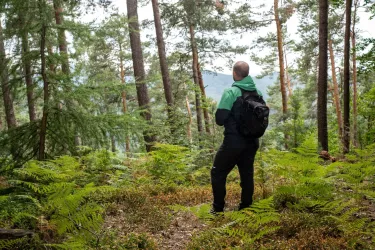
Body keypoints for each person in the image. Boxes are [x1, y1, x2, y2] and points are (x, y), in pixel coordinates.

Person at [211, 61, 263, 213]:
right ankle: (246, 207)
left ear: (234, 73)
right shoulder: (257, 92)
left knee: (217, 172)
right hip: (253, 141)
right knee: (247, 173)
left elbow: (220, 119)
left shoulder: (231, 92)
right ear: (247, 73)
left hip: (233, 142)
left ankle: (218, 209)